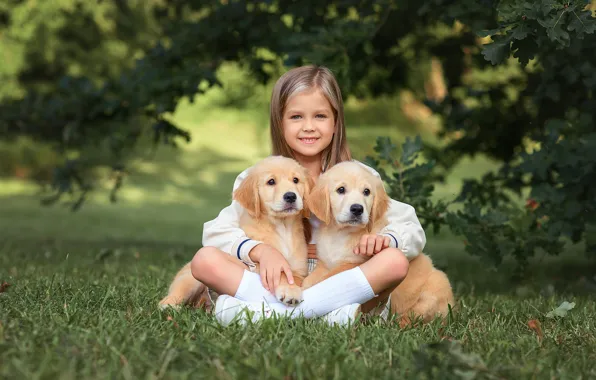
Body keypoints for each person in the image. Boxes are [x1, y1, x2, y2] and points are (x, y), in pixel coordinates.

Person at [191, 65, 426, 326]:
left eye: (320, 116)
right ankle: (323, 317)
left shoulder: (358, 176)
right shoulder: (259, 176)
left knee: (393, 261)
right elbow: (215, 233)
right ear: (279, 123)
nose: (309, 127)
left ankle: (266, 314)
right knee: (204, 260)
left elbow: (411, 229)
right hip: (274, 280)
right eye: (296, 117)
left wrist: (387, 239)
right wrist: (259, 251)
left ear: (336, 122)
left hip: (345, 283)